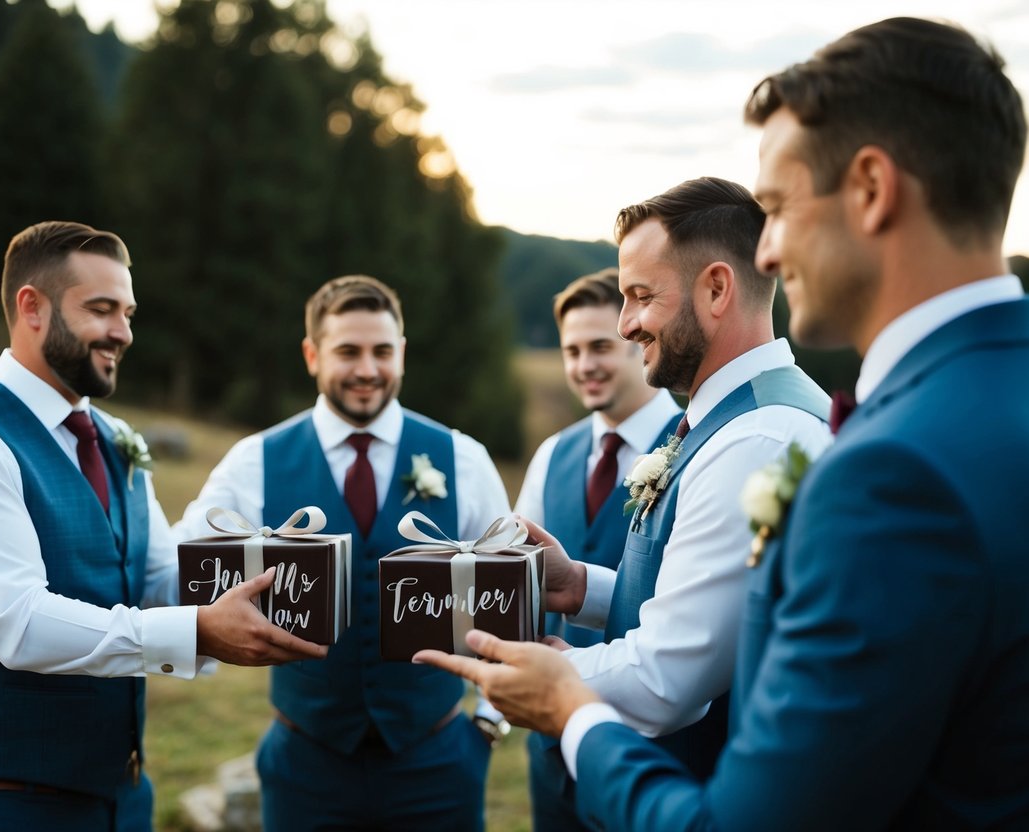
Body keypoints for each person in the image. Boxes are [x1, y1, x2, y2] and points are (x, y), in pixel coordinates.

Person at [417, 17, 1029, 831]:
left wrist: (571, 708)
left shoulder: (881, 469)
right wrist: (584, 588)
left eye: (776, 208)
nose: (765, 253)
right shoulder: (982, 399)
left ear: (871, 189)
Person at [0, 221, 326, 832]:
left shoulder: (116, 440)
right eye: (100, 310)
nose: (123, 332)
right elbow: (19, 624)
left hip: (121, 798)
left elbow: (156, 578)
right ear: (32, 308)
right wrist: (197, 630)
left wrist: (275, 581)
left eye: (128, 313)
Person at [517, 176, 833, 829]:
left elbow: (667, 677)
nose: (626, 324)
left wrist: (552, 678)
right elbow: (716, 602)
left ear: (715, 289)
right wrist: (581, 587)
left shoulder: (756, 437)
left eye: (641, 297)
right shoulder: (736, 416)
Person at [175, 275, 511, 831]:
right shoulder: (255, 460)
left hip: (438, 761)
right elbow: (180, 564)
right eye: (348, 351)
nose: (367, 369)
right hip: (305, 766)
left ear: (402, 354)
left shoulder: (463, 458)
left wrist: (488, 725)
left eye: (382, 351)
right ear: (312, 355)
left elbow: (508, 600)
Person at [512, 267, 681, 829]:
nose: (585, 365)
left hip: (655, 757)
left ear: (636, 338)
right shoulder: (551, 455)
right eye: (572, 350)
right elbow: (518, 582)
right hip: (553, 748)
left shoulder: (695, 445)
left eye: (600, 346)